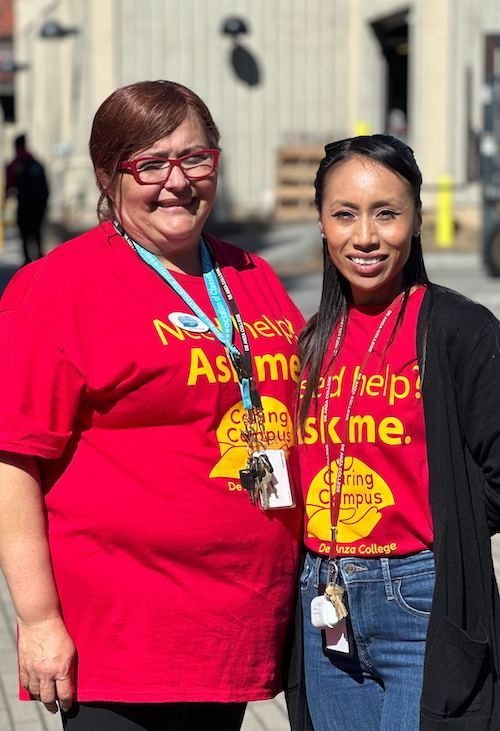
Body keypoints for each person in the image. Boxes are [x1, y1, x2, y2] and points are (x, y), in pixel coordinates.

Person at [0, 80, 304, 731]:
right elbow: (13, 463)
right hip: (124, 641)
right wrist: (38, 619)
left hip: (237, 629)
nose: (177, 181)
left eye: (195, 158)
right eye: (150, 164)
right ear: (110, 178)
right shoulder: (57, 290)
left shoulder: (253, 276)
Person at [287, 135, 500, 730]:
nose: (365, 237)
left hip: (420, 597)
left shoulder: (459, 330)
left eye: (387, 213)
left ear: (416, 220)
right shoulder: (309, 342)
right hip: (325, 598)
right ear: (323, 224)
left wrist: (442, 521)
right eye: (344, 214)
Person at [5, 133, 49, 264]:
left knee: (25, 234)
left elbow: (9, 188)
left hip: (24, 205)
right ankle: (40, 260)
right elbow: (46, 188)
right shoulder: (36, 163)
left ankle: (27, 262)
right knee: (36, 233)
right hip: (38, 206)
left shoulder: (14, 165)